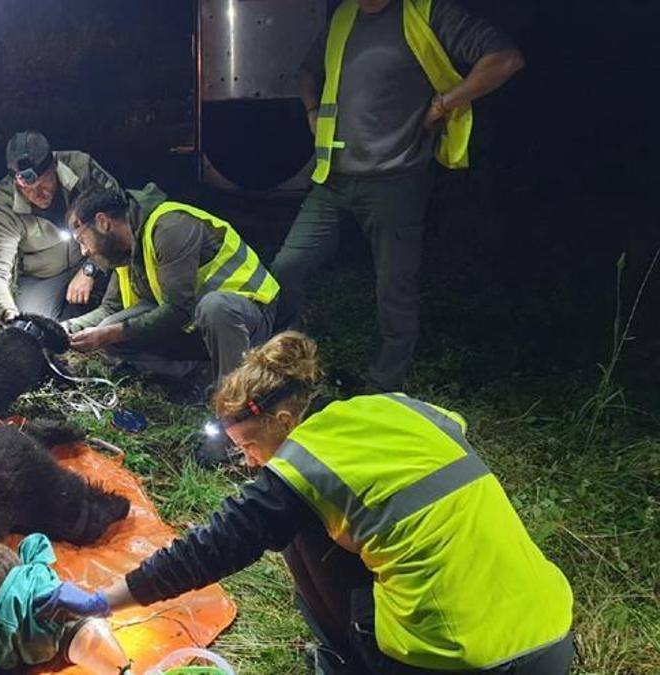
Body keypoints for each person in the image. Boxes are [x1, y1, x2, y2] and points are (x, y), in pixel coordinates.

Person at [46, 332, 576, 674]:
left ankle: (345, 662)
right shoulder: (398, 407)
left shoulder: (306, 465)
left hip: (462, 659)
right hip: (551, 635)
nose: (252, 463)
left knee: (299, 529)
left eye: (251, 446)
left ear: (285, 421)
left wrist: (103, 601)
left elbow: (210, 549)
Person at [272, 0, 525, 392]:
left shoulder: (427, 13)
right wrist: (312, 110)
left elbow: (505, 59)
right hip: (333, 180)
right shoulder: (344, 17)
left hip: (397, 181)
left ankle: (385, 384)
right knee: (287, 267)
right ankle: (288, 366)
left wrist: (445, 103)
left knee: (394, 289)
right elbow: (308, 70)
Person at [64, 186, 280, 417]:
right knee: (108, 325)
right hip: (196, 322)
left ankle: (234, 405)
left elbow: (178, 310)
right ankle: (198, 373)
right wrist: (68, 327)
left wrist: (112, 333)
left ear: (103, 222)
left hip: (246, 318)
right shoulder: (123, 250)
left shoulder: (170, 228)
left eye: (81, 239)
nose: (84, 251)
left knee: (214, 306)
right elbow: (112, 307)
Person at [0, 131, 121, 323]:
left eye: (43, 184)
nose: (38, 195)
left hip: (94, 256)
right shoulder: (5, 202)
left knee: (122, 282)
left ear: (54, 166)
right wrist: (7, 312)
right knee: (35, 326)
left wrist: (91, 268)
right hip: (44, 276)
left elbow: (120, 216)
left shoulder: (81, 168)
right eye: (27, 190)